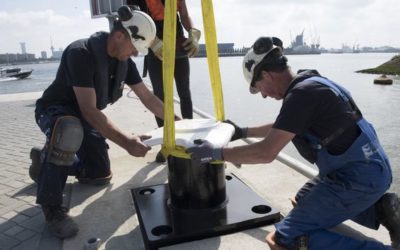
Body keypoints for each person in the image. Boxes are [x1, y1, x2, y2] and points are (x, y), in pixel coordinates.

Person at [187, 36, 400, 249]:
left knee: (285, 239)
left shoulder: (301, 95)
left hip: (358, 178)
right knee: (303, 199)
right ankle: (382, 208)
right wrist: (242, 131)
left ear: (267, 75)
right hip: (365, 168)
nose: (262, 95)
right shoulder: (308, 83)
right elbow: (285, 128)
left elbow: (266, 152)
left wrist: (219, 154)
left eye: (258, 86)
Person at [28, 6, 177, 239]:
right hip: (55, 111)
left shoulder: (124, 62)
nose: (136, 54)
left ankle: (45, 161)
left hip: (84, 119)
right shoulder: (81, 53)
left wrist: (177, 122)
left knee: (99, 175)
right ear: (119, 35)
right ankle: (52, 207)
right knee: (68, 131)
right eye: (135, 48)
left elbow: (147, 97)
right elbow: (89, 109)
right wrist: (127, 141)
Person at [128, 0, 201, 163]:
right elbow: (133, 20)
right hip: (153, 44)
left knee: (185, 93)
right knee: (160, 96)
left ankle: (188, 139)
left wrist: (192, 32)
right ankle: (166, 143)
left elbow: (183, 14)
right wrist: (152, 42)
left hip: (178, 40)